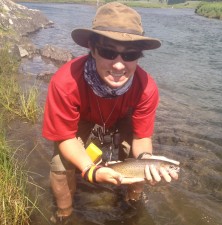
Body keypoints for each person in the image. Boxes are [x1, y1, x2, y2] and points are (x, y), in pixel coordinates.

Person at [42, 2, 178, 224]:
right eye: (108, 52)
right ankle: (64, 213)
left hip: (122, 117)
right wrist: (91, 171)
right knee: (60, 164)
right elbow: (65, 136)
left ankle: (132, 205)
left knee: (139, 162)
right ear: (92, 49)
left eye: (129, 55)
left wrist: (146, 163)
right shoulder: (65, 82)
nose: (118, 65)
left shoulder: (146, 87)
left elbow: (142, 137)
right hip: (83, 117)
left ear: (138, 56)